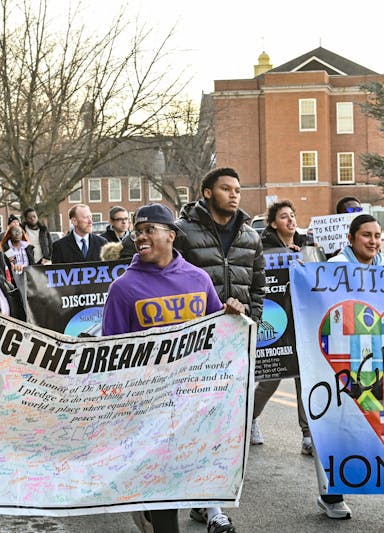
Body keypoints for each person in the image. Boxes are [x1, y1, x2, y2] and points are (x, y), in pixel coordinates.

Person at [102, 203, 243, 533]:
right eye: (137, 231)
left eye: (149, 229)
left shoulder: (198, 278)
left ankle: (202, 512)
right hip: (148, 404)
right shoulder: (123, 289)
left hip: (193, 400)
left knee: (191, 470)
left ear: (171, 235)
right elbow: (112, 354)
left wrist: (231, 313)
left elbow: (216, 333)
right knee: (161, 486)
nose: (140, 236)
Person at [173, 167, 264, 533]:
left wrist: (249, 323)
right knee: (197, 421)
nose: (235, 194)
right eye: (226, 188)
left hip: (233, 343)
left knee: (224, 424)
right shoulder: (183, 232)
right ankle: (211, 508)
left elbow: (258, 287)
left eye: (238, 189)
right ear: (207, 193)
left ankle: (205, 501)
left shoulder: (250, 235)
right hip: (193, 341)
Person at [323, 215, 384, 531]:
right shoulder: (332, 270)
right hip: (347, 365)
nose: (374, 241)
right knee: (346, 432)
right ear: (351, 238)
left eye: (378, 236)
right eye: (367, 235)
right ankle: (331, 494)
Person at [253, 201, 311, 453]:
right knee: (270, 379)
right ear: (273, 223)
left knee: (303, 378)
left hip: (301, 319)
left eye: (293, 215)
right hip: (275, 320)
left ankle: (308, 435)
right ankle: (248, 420)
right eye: (284, 217)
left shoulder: (306, 244)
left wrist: (307, 257)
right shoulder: (262, 249)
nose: (290, 220)